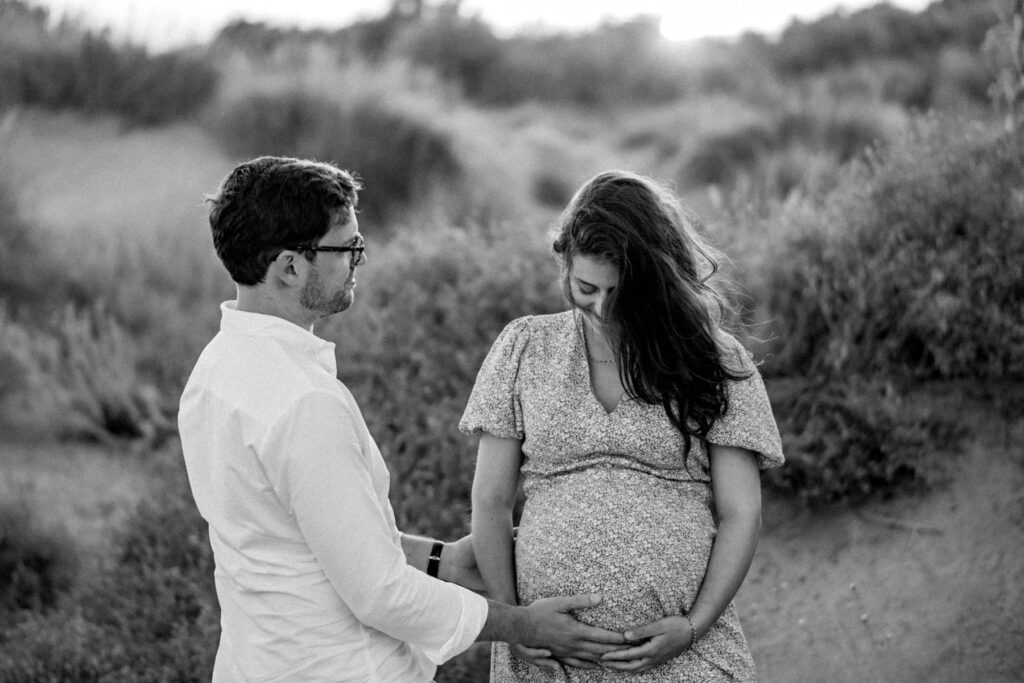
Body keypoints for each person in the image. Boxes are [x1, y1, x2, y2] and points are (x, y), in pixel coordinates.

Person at [177, 156, 628, 682]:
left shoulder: (213, 372)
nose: (359, 260)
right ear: (290, 267)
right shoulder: (304, 403)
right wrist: (526, 626)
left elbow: (305, 539)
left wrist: (443, 561)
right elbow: (379, 594)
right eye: (348, 248)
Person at [461, 170, 785, 681]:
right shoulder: (524, 347)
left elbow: (742, 514)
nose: (603, 308)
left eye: (621, 292)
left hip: (683, 657)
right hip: (548, 660)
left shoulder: (715, 359)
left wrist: (694, 627)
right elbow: (491, 500)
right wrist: (517, 623)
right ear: (563, 260)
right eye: (586, 288)